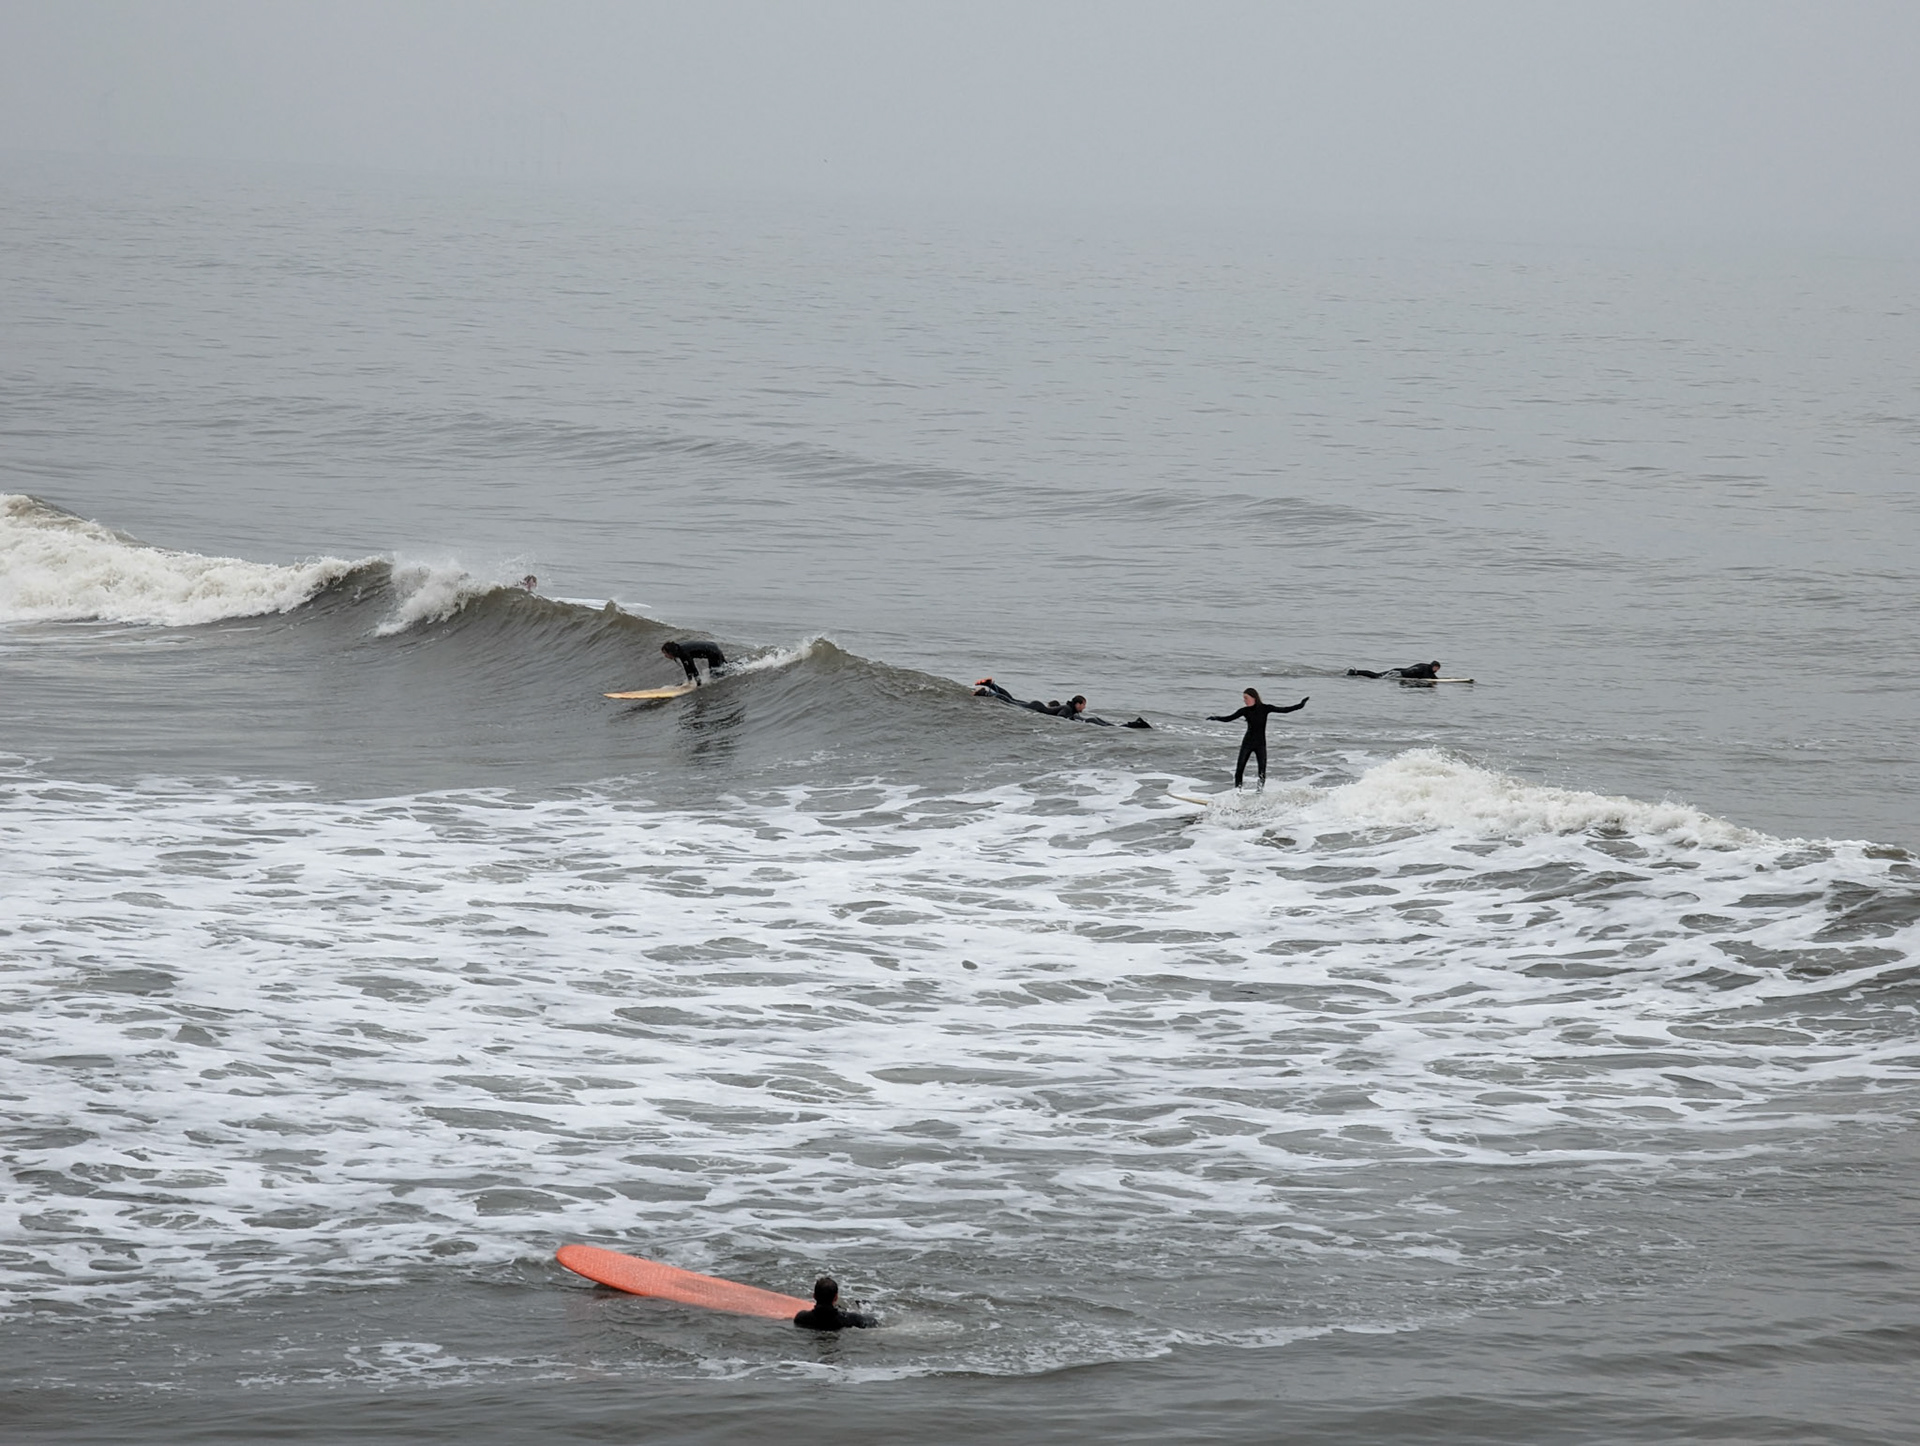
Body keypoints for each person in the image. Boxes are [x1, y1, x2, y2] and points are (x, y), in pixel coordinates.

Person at [1209, 687, 1308, 788]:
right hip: (1247, 743)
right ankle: (1237, 792)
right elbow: (1229, 718)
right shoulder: (1244, 711)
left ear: (1253, 697)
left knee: (1262, 772)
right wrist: (1216, 718)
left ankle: (1259, 792)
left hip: (1260, 744)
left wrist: (1300, 705)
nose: (1244, 700)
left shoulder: (1265, 708)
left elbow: (1284, 710)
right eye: (1244, 698)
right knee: (1239, 770)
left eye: (1246, 698)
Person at [973, 678, 1152, 729]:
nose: (1085, 708)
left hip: (1038, 706)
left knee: (1013, 700)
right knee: (1012, 703)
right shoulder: (1067, 709)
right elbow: (1059, 718)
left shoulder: (1070, 709)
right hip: (1037, 707)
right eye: (1084, 704)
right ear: (1078, 704)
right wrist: (1071, 722)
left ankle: (991, 685)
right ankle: (986, 693)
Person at [793, 1275, 875, 1331]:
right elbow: (872, 1322)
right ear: (835, 1297)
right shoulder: (849, 1319)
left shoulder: (801, 1318)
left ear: (814, 1296)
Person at [661, 638, 728, 685]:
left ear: (671, 652)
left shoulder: (683, 652)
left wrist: (698, 684)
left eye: (666, 654)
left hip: (713, 652)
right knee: (721, 669)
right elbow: (687, 668)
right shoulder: (679, 649)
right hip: (713, 647)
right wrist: (690, 681)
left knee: (715, 676)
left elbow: (693, 668)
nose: (665, 656)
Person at [1347, 660, 1440, 679]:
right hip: (1397, 673)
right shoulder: (1423, 667)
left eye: (1438, 669)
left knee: (1376, 675)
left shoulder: (1429, 670)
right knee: (1377, 676)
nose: (1436, 670)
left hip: (1398, 672)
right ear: (1432, 666)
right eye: (1436, 668)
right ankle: (1355, 672)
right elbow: (1415, 670)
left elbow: (1432, 677)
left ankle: (1355, 672)